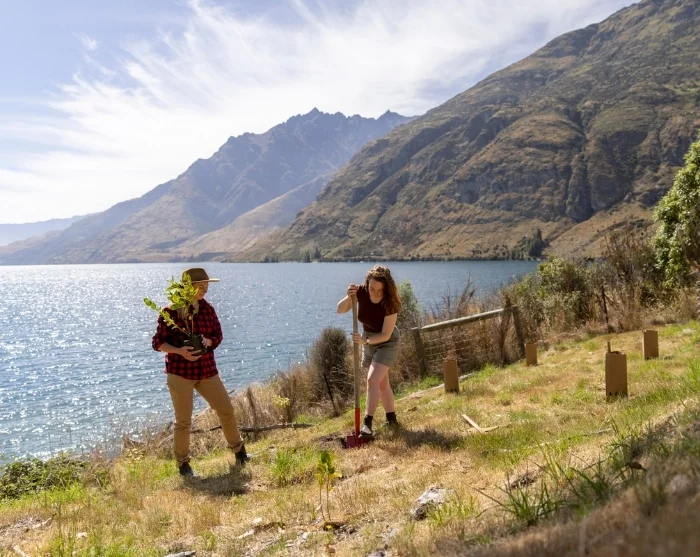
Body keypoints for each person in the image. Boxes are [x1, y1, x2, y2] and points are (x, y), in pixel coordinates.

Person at [151, 267, 249, 476]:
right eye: (201, 287)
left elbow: (218, 335)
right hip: (180, 373)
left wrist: (208, 341)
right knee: (183, 421)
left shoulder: (207, 309)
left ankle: (240, 453)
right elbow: (157, 343)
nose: (205, 290)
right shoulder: (170, 311)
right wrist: (180, 351)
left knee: (226, 409)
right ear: (188, 287)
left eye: (206, 287)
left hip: (207, 370)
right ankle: (183, 465)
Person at [337, 265, 402, 438]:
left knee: (373, 380)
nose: (375, 293)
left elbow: (386, 334)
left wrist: (365, 341)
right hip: (367, 340)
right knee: (381, 383)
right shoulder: (361, 292)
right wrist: (349, 296)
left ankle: (367, 424)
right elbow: (340, 310)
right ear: (367, 284)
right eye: (372, 288)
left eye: (380, 290)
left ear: (386, 289)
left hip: (386, 342)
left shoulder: (391, 302)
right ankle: (392, 419)